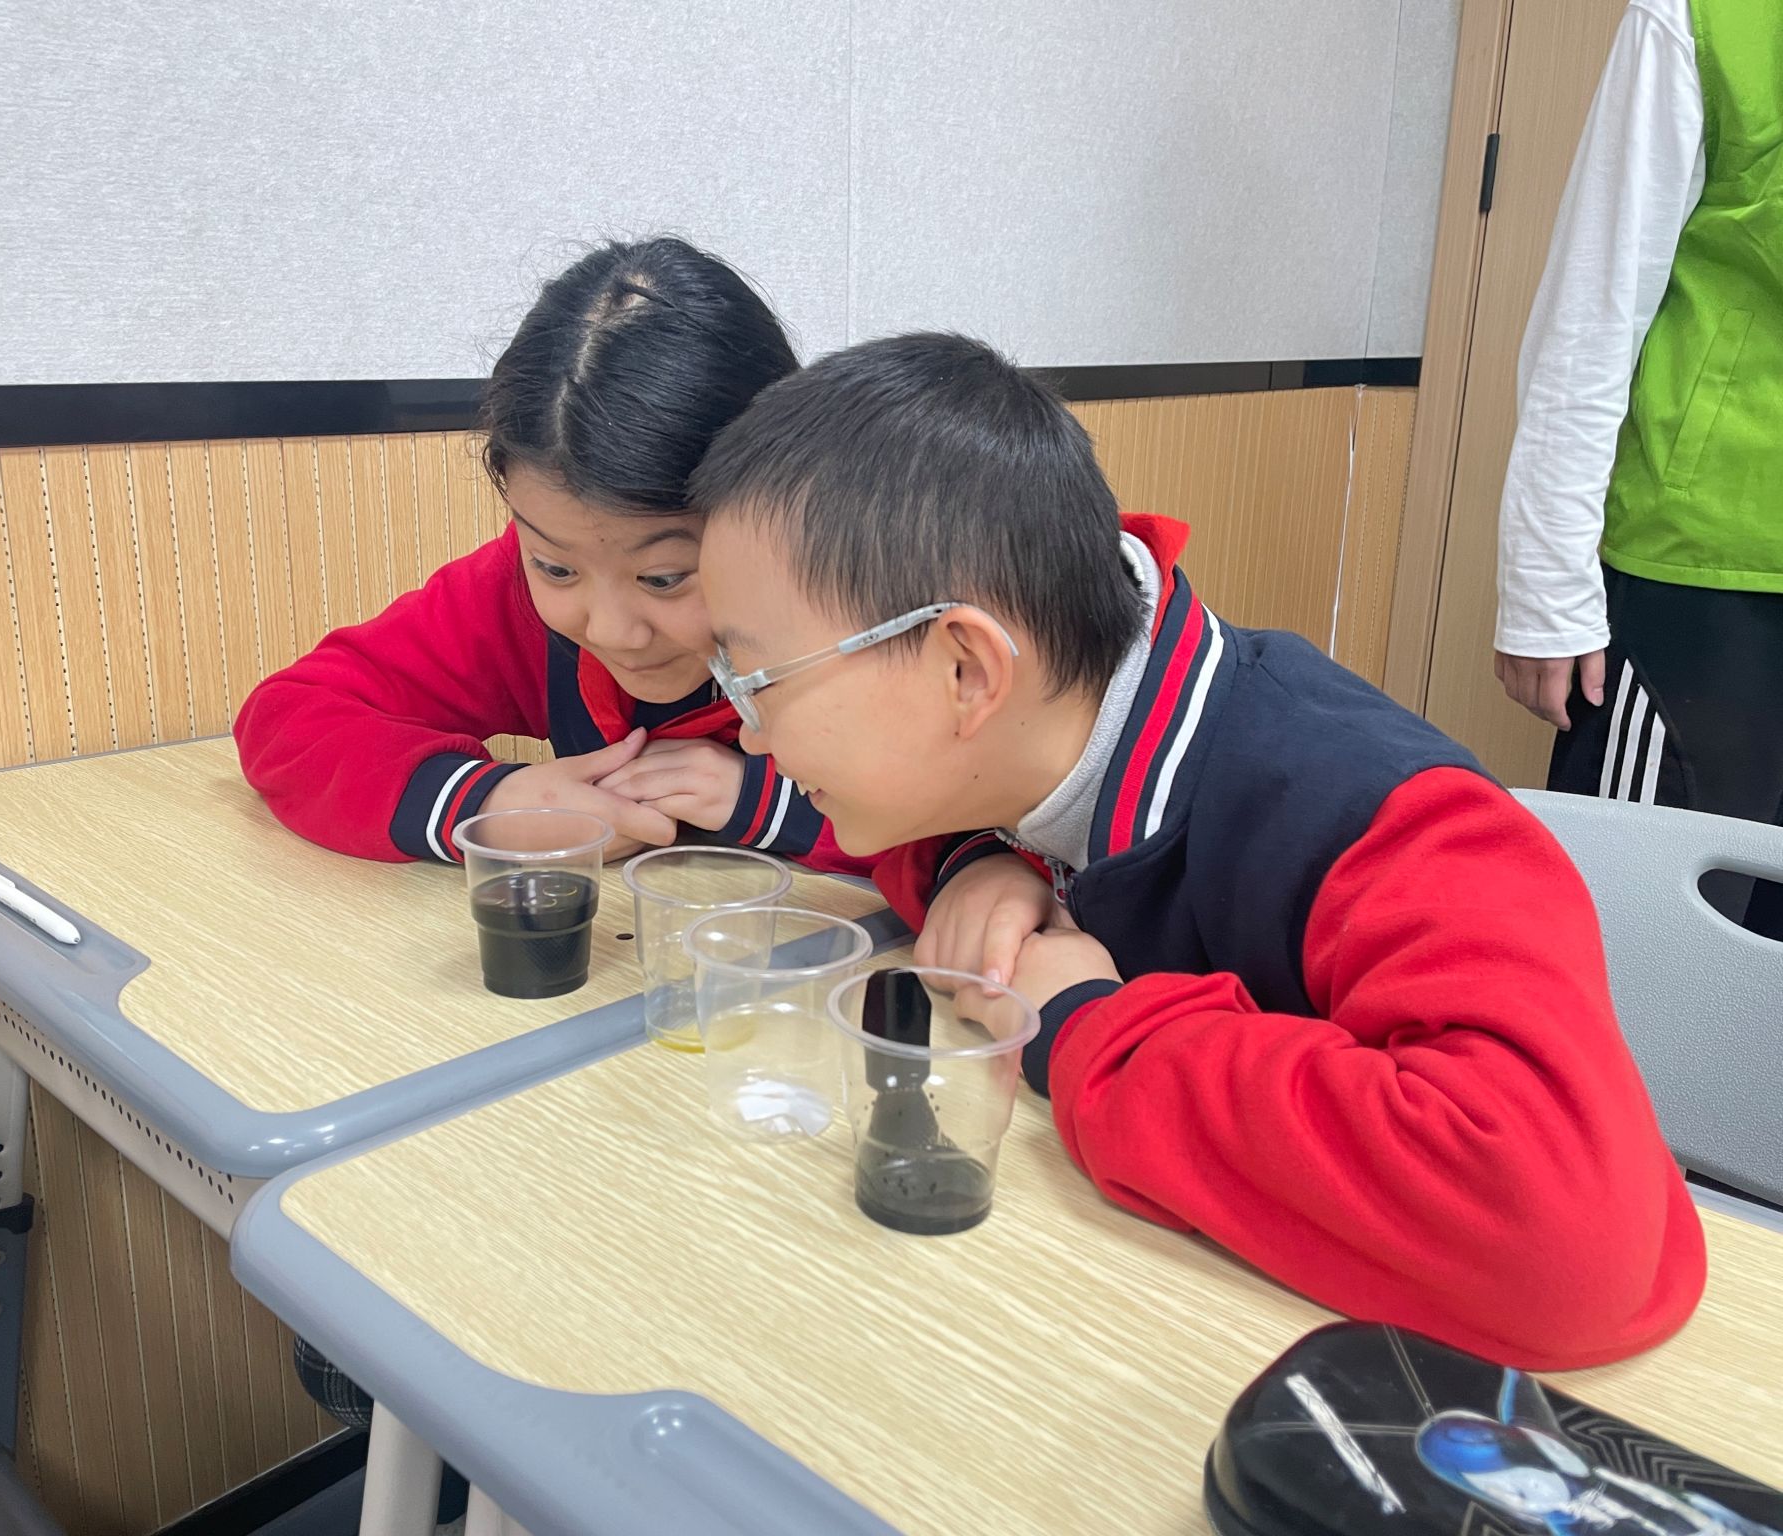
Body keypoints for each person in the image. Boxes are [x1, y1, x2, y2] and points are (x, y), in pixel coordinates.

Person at [690, 332, 1705, 1370]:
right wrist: (975, 862)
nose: (750, 735)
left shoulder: (1379, 818)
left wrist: (1089, 1024)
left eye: (758, 683)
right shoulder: (1035, 723)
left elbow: (1565, 1249)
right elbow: (905, 816)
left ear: (966, 670)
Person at [235, 236, 861, 875]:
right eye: (557, 567)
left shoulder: (874, 606)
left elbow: (936, 823)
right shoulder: (510, 595)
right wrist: (484, 805)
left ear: (787, 510)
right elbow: (288, 719)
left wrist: (770, 804)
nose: (612, 631)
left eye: (664, 578)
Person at [1494, 0, 1780, 938]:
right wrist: (1545, 588)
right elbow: (1596, 302)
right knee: (1642, 941)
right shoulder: (1706, 15)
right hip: (1703, 576)